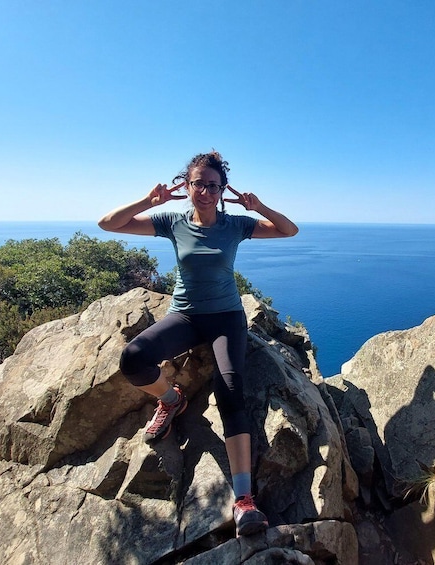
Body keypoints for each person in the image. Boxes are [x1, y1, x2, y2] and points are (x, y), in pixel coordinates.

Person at [98, 151, 299, 537]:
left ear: (223, 190)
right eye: (198, 184)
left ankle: (244, 500)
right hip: (185, 316)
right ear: (186, 186)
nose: (205, 191)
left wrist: (259, 206)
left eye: (213, 185)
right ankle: (171, 400)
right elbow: (108, 224)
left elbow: (289, 230)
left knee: (231, 393)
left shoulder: (236, 224)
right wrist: (148, 200)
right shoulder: (171, 221)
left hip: (226, 318)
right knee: (133, 359)